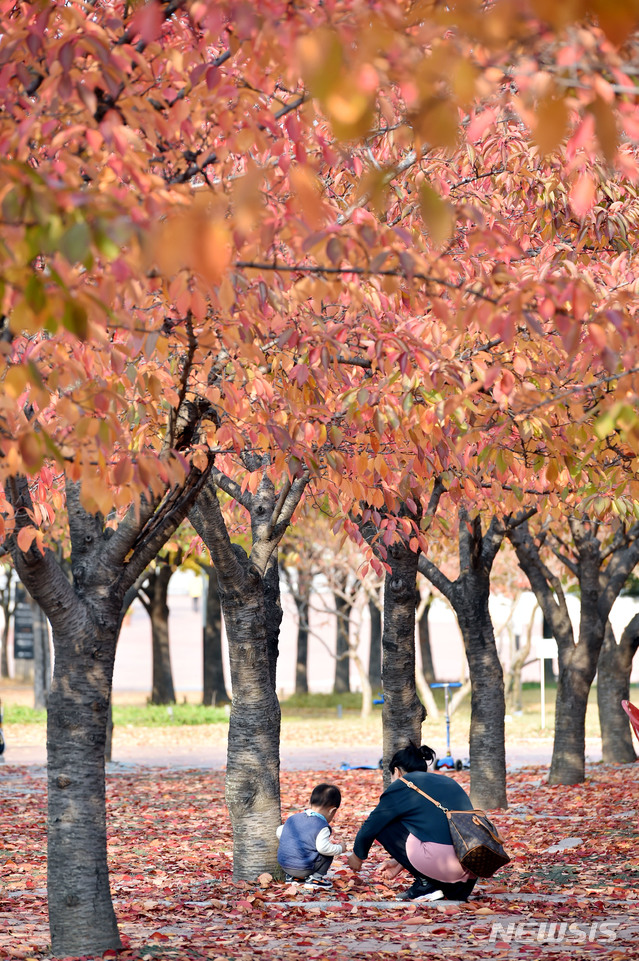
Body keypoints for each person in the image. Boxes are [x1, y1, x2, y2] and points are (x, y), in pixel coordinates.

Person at [347, 742, 477, 902]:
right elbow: (436, 831)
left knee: (384, 824)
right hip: (469, 875)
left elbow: (370, 827)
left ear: (397, 772)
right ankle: (430, 882)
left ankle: (425, 884)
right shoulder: (448, 782)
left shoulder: (404, 784)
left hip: (444, 869)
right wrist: (399, 862)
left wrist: (357, 856)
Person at [277, 783, 345, 889]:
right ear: (332, 811)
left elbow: (280, 831)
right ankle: (315, 878)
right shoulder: (322, 826)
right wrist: (340, 848)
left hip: (285, 865)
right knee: (328, 853)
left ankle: (293, 878)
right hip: (304, 868)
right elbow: (323, 848)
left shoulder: (293, 818)